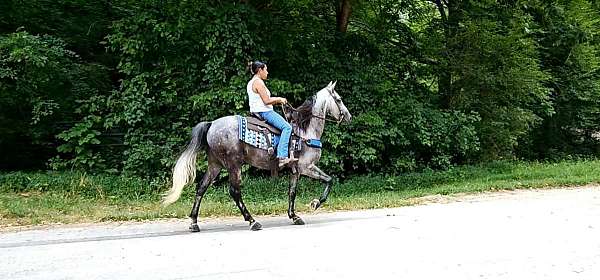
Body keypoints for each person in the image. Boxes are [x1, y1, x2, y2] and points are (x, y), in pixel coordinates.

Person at [247, 61, 297, 167]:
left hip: (258, 111)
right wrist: (279, 99)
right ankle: (282, 156)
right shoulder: (258, 82)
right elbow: (266, 100)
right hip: (265, 112)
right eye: (266, 69)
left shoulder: (252, 82)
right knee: (287, 127)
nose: (267, 72)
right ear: (260, 70)